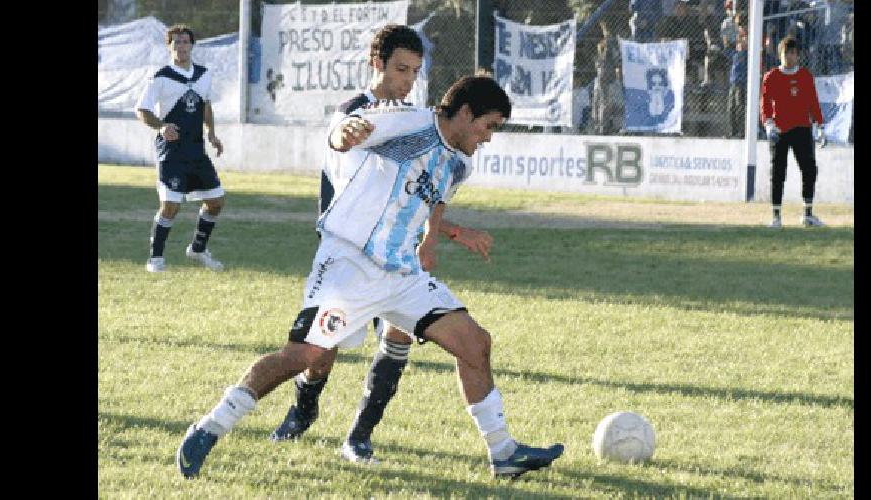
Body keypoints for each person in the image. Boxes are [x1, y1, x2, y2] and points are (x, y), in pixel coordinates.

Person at [176, 75, 564, 480]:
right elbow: (344, 134)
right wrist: (344, 133)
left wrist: (436, 238)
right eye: (489, 126)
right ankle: (209, 427)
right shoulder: (408, 123)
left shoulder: (461, 161)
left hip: (401, 274)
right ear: (466, 113)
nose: (489, 137)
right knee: (303, 356)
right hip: (351, 262)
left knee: (475, 343)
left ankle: (503, 453)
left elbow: (435, 200)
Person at [269, 24, 495, 465]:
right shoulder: (356, 113)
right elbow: (351, 160)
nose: (407, 81)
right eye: (399, 70)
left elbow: (425, 188)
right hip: (349, 252)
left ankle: (360, 435)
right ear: (377, 64)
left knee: (400, 336)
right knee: (321, 352)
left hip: (397, 258)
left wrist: (434, 236)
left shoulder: (414, 120)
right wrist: (345, 132)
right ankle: (303, 410)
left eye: (414, 72)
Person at [135, 24, 226, 272]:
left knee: (216, 200)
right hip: (171, 152)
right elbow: (142, 110)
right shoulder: (161, 76)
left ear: (192, 46)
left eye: (185, 42)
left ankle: (197, 249)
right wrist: (161, 127)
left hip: (196, 151)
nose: (182, 46)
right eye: (176, 42)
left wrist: (212, 133)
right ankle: (155, 259)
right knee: (171, 206)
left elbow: (205, 105)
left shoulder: (204, 75)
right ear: (169, 47)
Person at [760, 36, 826, 228]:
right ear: (779, 55)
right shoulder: (771, 77)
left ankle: (807, 214)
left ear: (798, 55)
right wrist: (768, 124)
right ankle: (776, 217)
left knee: (810, 169)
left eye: (793, 53)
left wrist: (820, 125)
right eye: (785, 53)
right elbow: (764, 103)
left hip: (802, 129)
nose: (789, 57)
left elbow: (813, 102)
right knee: (778, 172)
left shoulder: (805, 76)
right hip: (779, 130)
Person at [726, 26, 748, 138]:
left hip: (741, 82)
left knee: (740, 106)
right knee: (731, 107)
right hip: (733, 82)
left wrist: (744, 45)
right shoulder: (734, 52)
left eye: (743, 38)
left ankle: (741, 131)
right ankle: (732, 131)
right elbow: (726, 50)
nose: (740, 41)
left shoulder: (746, 54)